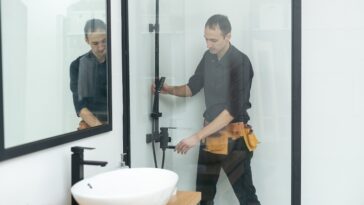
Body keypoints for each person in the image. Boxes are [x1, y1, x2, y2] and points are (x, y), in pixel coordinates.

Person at [155, 14, 260, 205]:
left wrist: (196, 137)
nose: (208, 44)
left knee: (246, 197)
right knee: (203, 197)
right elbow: (192, 87)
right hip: (211, 135)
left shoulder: (241, 62)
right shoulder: (208, 57)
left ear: (228, 36)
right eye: (206, 39)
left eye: (214, 40)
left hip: (234, 137)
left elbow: (230, 112)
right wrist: (169, 89)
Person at [70, 19, 108, 130]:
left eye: (104, 41)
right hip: (93, 124)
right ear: (87, 40)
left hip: (118, 123)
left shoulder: (119, 62)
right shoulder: (77, 66)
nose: (101, 47)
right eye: (95, 43)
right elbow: (81, 108)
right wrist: (103, 131)